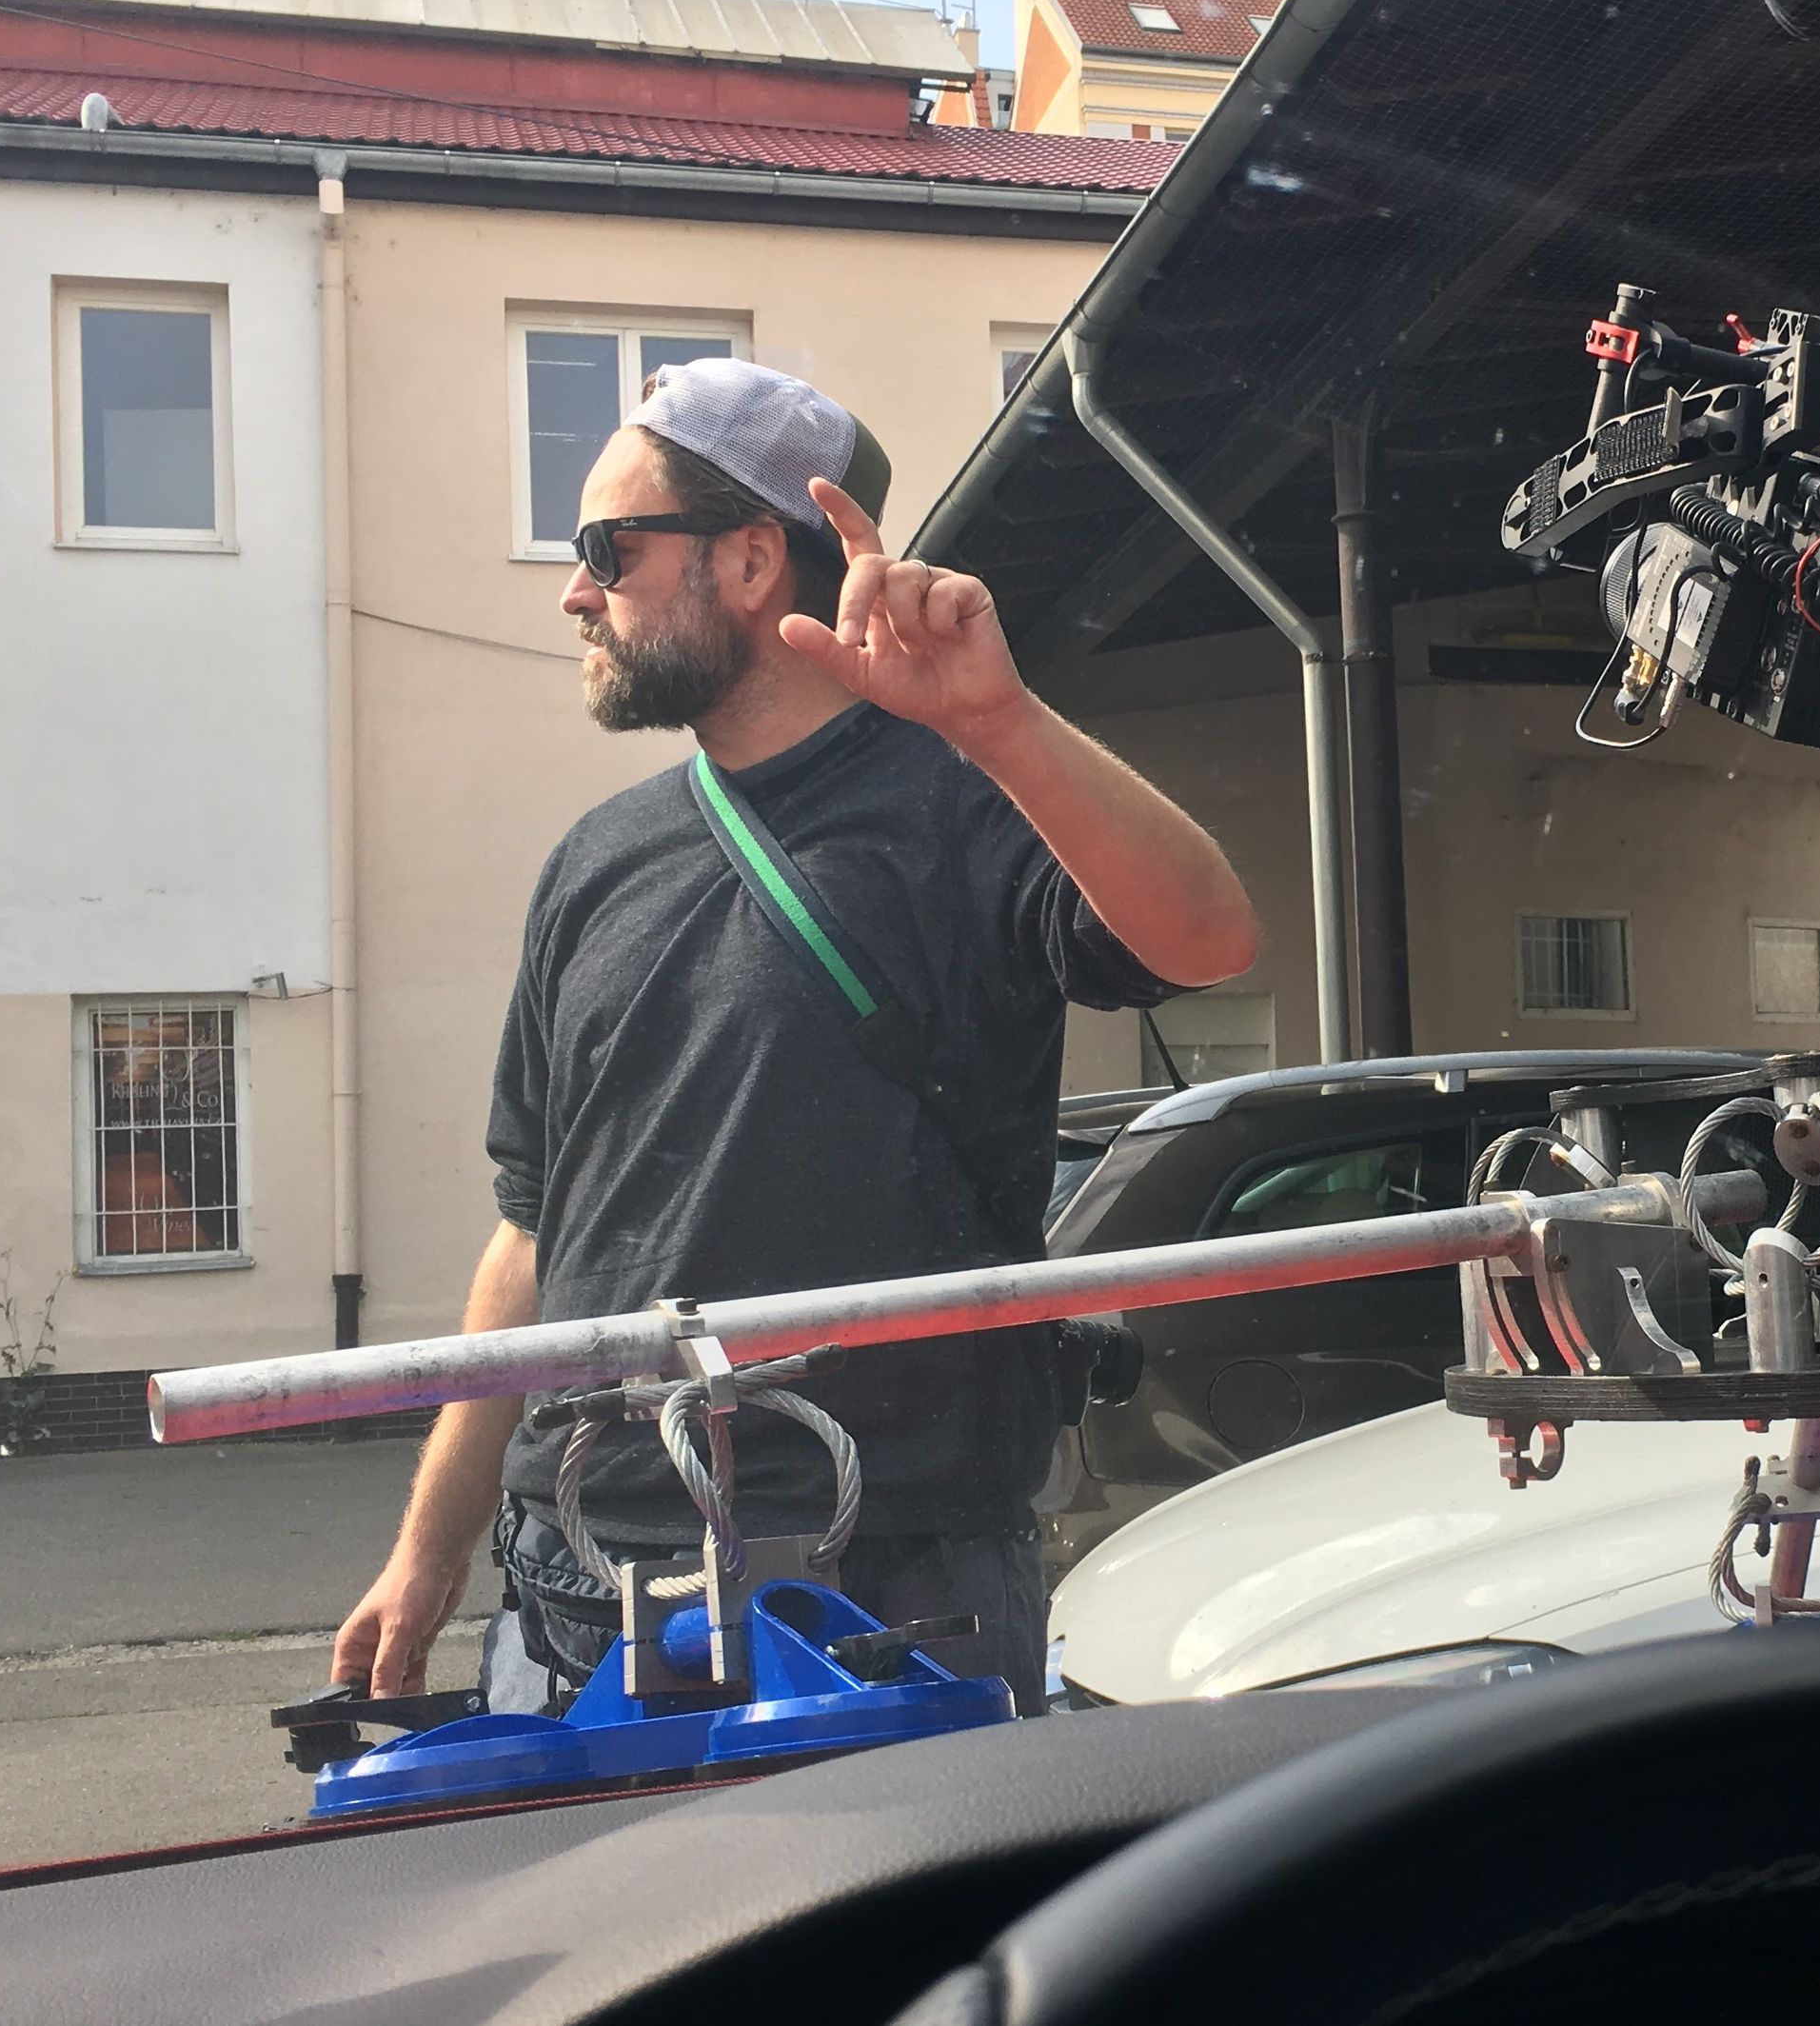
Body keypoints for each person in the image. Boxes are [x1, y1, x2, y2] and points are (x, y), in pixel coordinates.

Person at [328, 360, 1257, 1716]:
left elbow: (1210, 940)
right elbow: (530, 1233)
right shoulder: (594, 861)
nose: (576, 590)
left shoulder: (969, 798)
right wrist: (428, 1550)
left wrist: (999, 721)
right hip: (576, 1566)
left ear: (754, 558)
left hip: (887, 1570)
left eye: (608, 547)